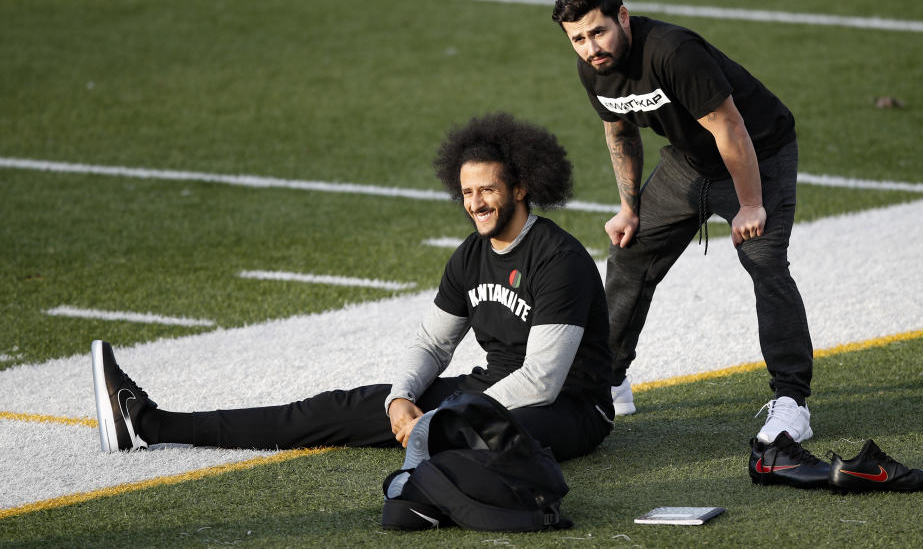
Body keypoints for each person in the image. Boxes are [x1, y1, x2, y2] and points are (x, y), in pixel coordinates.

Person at [93, 112, 615, 463]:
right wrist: (401, 399)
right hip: (487, 392)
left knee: (478, 441)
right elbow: (433, 344)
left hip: (569, 410)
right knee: (337, 409)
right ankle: (152, 423)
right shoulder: (470, 256)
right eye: (467, 192)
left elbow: (543, 381)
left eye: (489, 191)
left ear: (521, 188)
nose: (476, 203)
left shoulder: (559, 259)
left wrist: (440, 418)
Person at [552, 0, 825, 484]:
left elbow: (731, 128)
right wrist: (628, 208)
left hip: (756, 155)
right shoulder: (594, 70)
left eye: (598, 31)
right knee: (630, 255)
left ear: (623, 16)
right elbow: (619, 129)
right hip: (687, 165)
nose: (591, 47)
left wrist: (750, 206)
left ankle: (791, 402)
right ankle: (606, 381)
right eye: (579, 38)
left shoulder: (673, 52)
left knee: (764, 262)